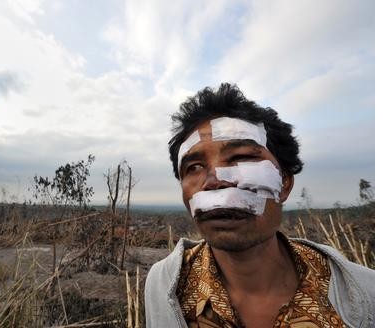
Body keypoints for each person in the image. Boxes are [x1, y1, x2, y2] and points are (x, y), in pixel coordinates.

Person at [144, 83, 374, 328]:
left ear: (284, 183)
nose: (214, 181)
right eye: (194, 167)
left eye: (241, 157)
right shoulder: (163, 284)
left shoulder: (370, 296)